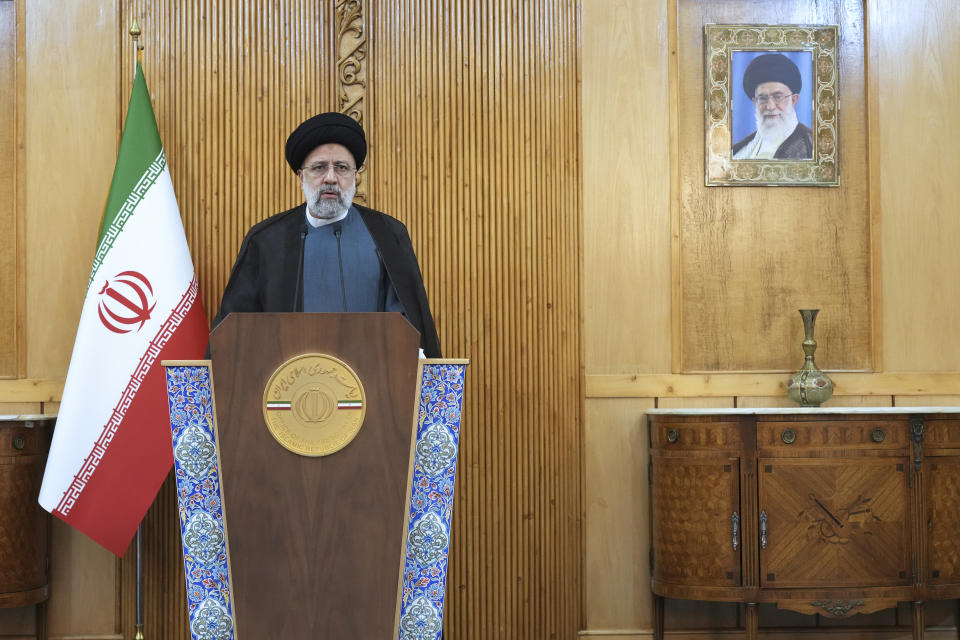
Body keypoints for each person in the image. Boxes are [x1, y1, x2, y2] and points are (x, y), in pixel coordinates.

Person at [212, 112, 442, 357]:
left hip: (373, 389)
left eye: (341, 167)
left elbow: (408, 333)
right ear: (301, 176)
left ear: (354, 176)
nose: (330, 178)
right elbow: (235, 336)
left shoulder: (387, 235)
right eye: (319, 167)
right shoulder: (266, 240)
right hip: (287, 389)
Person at [732, 53, 813, 160]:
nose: (770, 107)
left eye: (777, 97)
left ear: (793, 100)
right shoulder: (740, 150)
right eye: (763, 98)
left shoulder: (812, 145)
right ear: (755, 102)